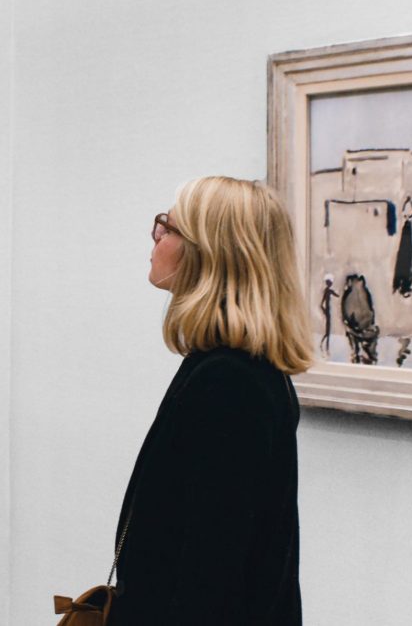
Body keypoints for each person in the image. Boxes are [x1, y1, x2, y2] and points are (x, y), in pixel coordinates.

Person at [109, 176, 313, 625]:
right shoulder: (229, 368)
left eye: (169, 226)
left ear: (210, 255)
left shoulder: (230, 382)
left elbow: (211, 570)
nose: (156, 235)